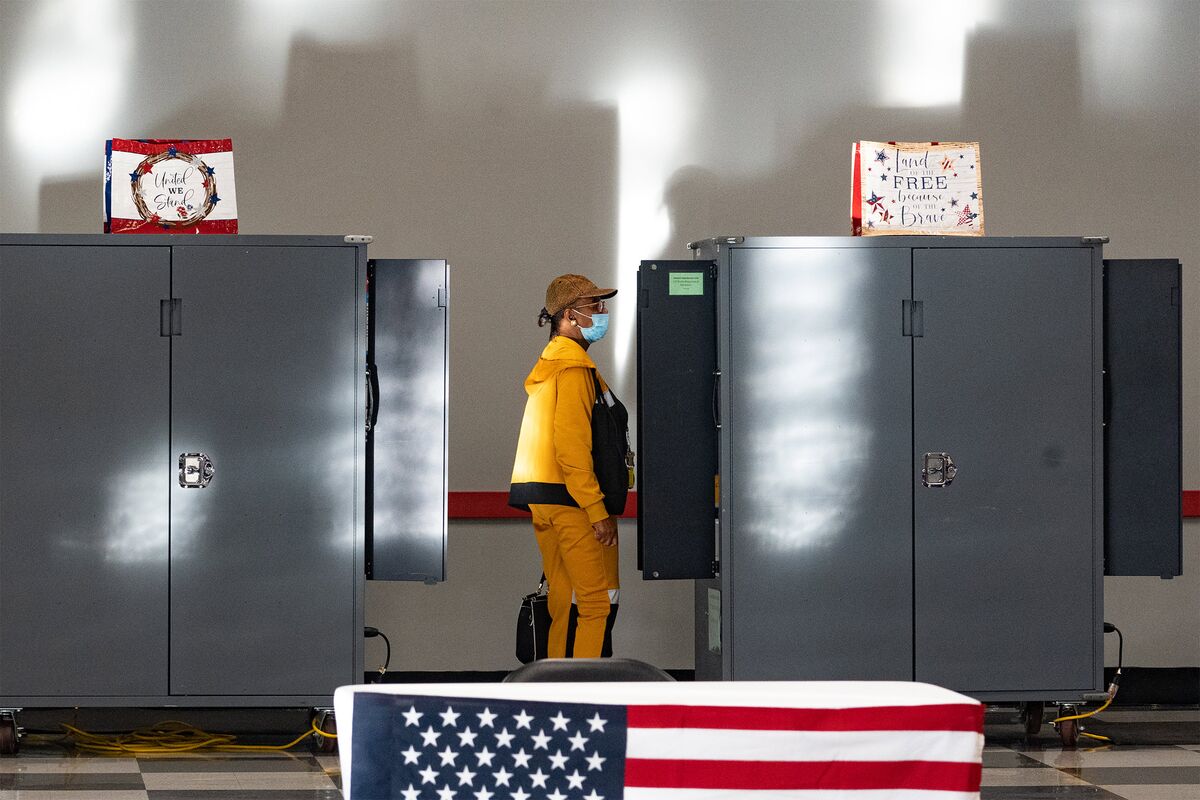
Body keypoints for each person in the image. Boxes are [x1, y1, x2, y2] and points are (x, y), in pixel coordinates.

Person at [509, 273, 622, 659]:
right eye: (595, 306)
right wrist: (595, 509)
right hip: (572, 501)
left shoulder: (550, 364)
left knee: (562, 603)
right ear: (571, 316)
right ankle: (583, 699)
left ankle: (551, 692)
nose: (603, 312)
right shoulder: (573, 368)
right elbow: (571, 445)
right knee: (593, 607)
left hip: (544, 498)